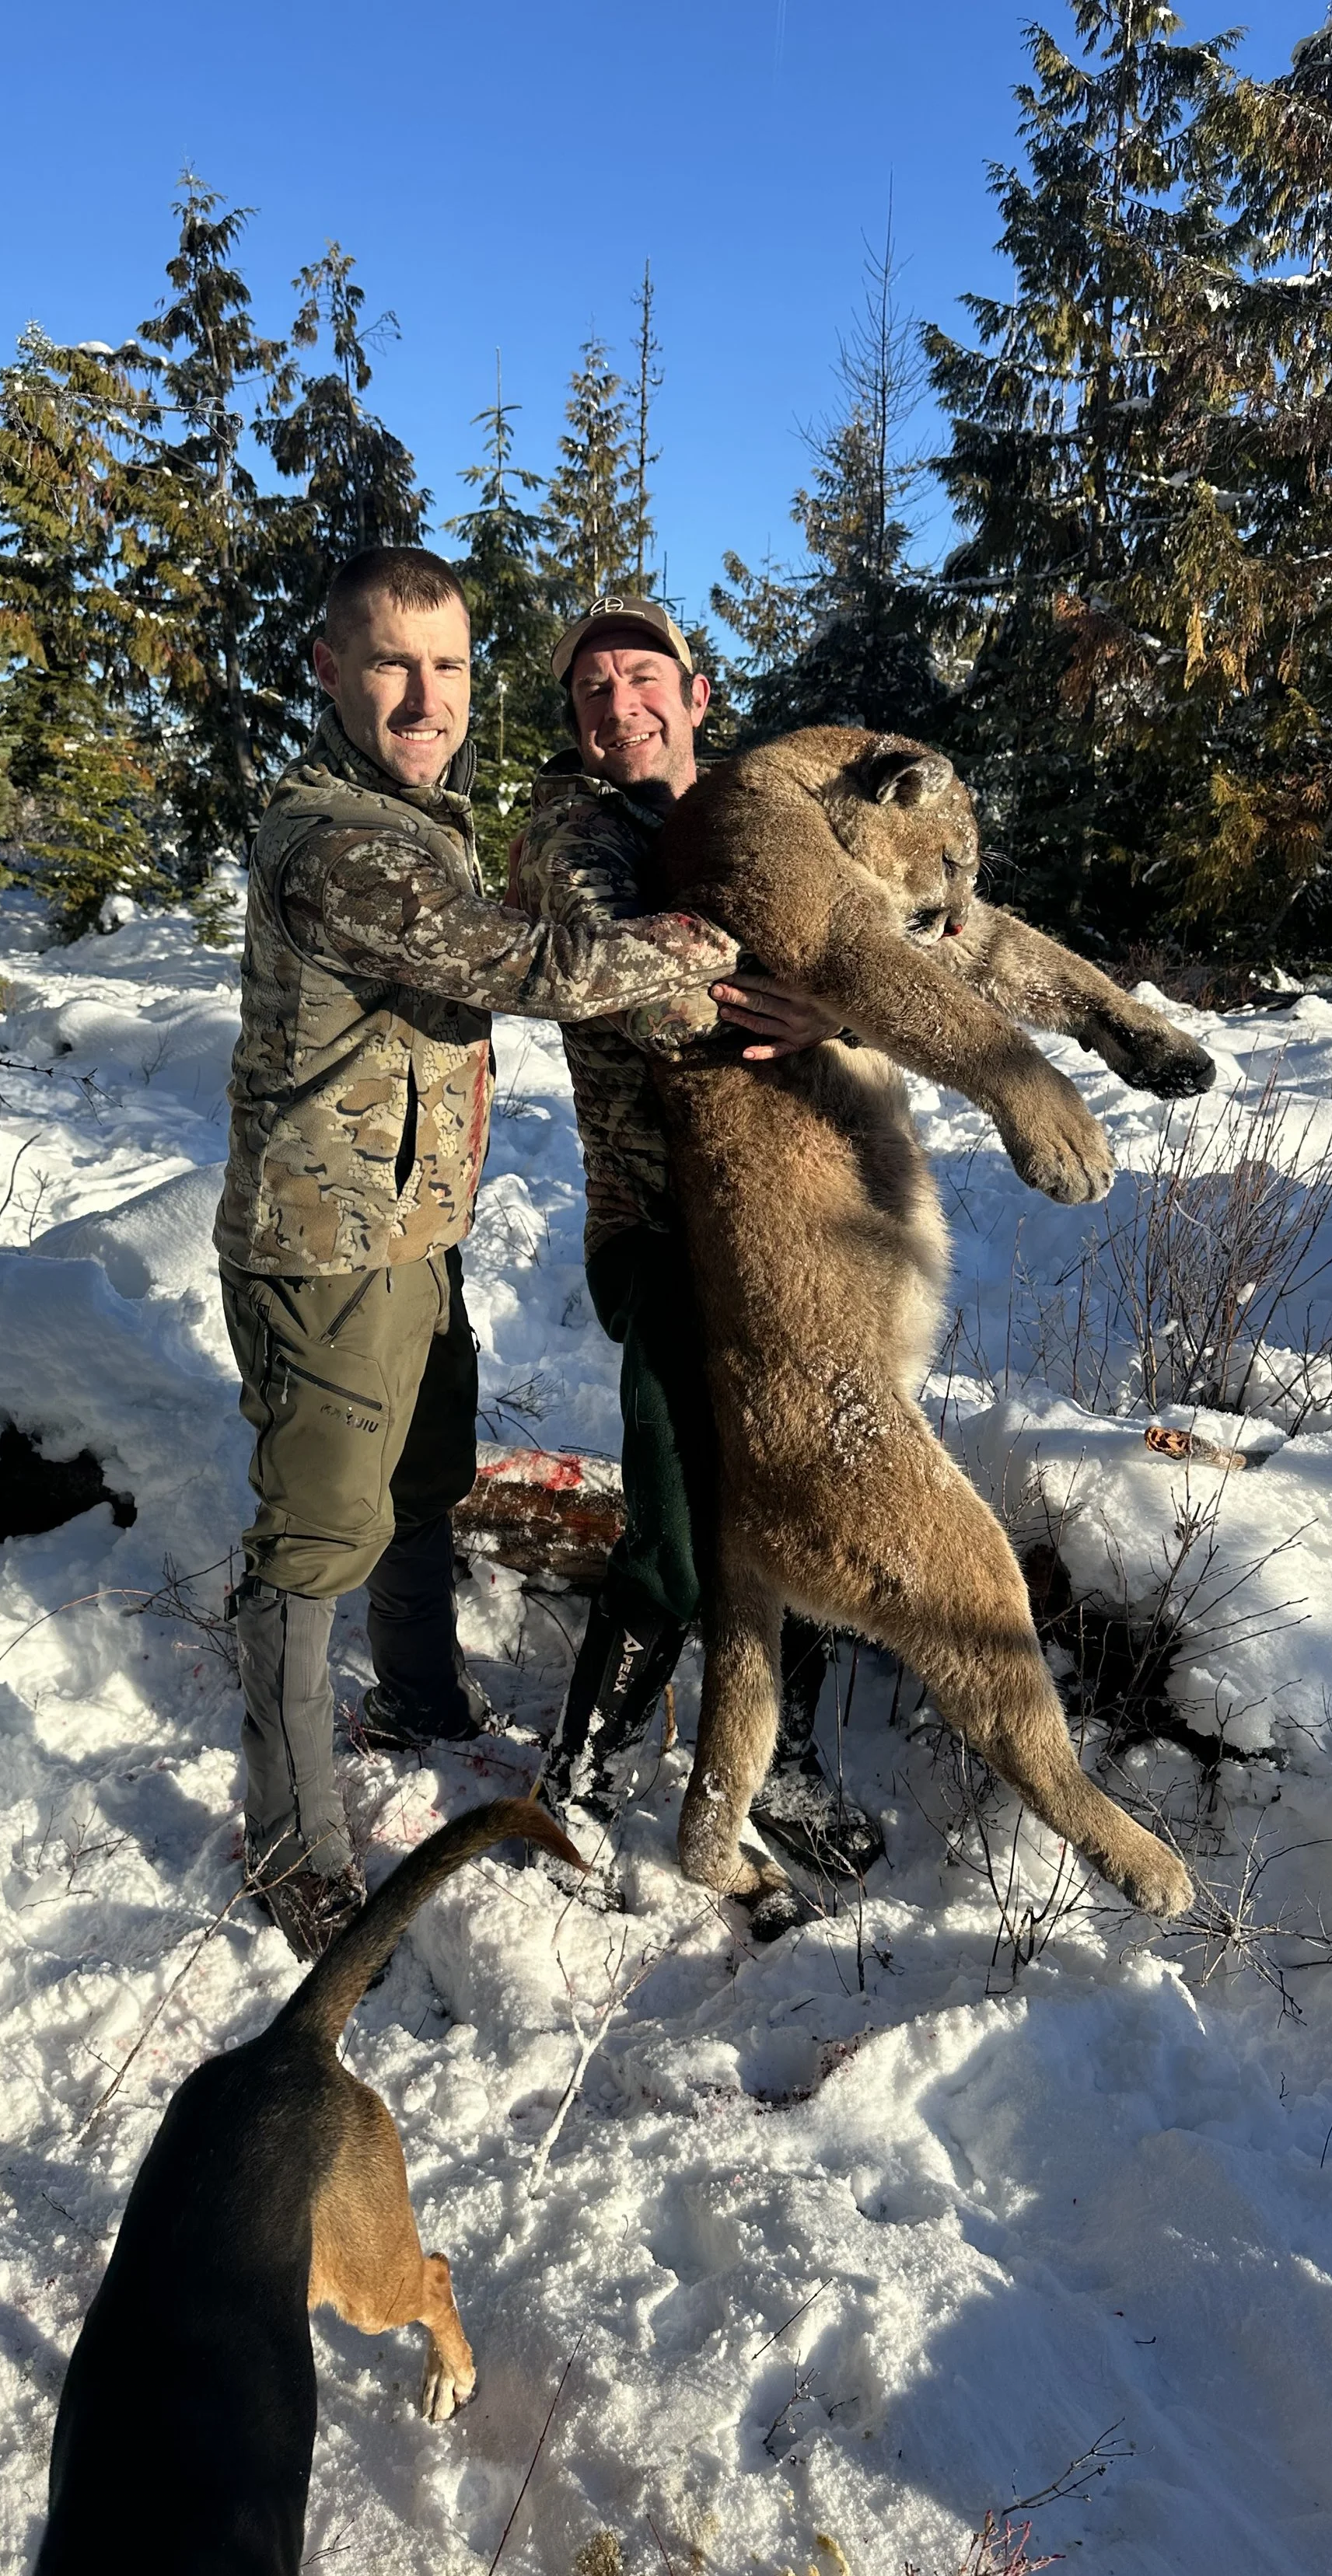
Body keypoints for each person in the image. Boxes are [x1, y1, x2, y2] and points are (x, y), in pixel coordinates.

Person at [214, 548, 751, 1959]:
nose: (424, 695)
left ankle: (417, 1701)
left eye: (448, 667)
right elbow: (545, 968)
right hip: (324, 1248)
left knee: (422, 1480)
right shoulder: (343, 842)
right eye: (392, 663)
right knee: (315, 1539)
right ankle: (289, 1847)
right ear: (330, 671)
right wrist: (719, 937)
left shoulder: (419, 821)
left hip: (411, 1232)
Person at [505, 595, 885, 1880]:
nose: (620, 706)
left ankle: (781, 1769)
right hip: (663, 1230)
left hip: (805, 1225)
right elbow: (634, 989)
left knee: (811, 1492)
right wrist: (816, 984)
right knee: (676, 1521)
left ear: (698, 692)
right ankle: (586, 1772)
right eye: (591, 692)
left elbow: (890, 935)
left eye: (642, 677)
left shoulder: (760, 816)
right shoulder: (569, 830)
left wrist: (841, 1004)